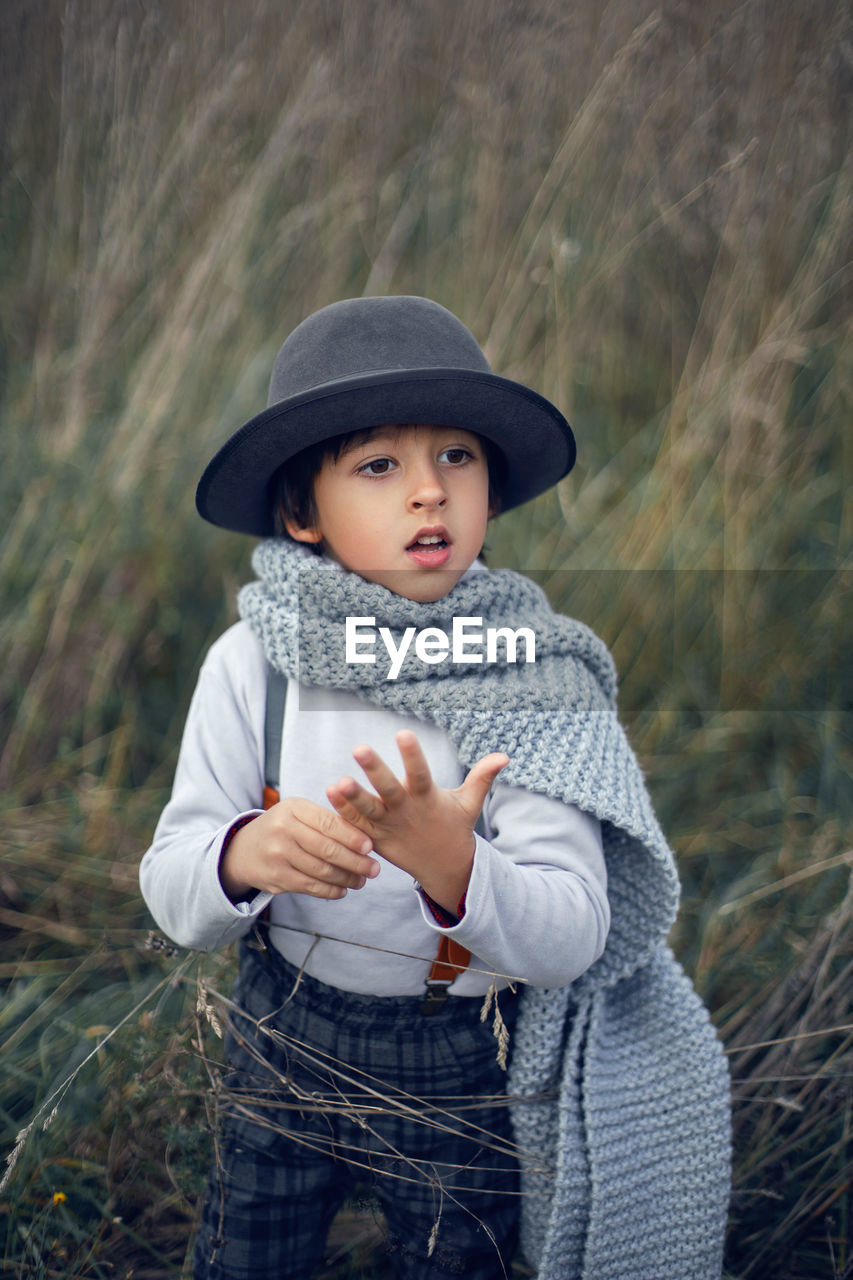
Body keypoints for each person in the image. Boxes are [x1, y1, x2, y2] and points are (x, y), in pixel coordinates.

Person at [140, 295, 730, 1280]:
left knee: (457, 1256)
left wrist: (458, 866)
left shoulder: (531, 676)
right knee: (247, 1251)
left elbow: (575, 928)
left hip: (452, 1054)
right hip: (281, 1024)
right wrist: (241, 853)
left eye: (455, 456)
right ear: (302, 512)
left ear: (490, 488)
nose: (429, 492)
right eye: (378, 465)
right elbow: (173, 887)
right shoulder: (255, 663)